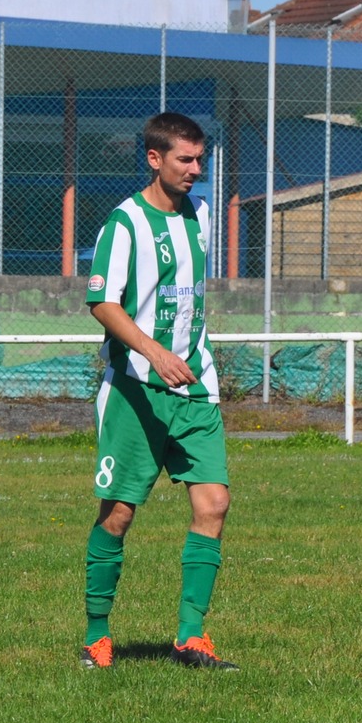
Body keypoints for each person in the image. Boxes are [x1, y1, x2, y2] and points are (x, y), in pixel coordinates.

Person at [80, 112, 235, 671]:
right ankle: (97, 636)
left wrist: (184, 355)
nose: (195, 169)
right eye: (184, 159)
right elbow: (102, 303)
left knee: (214, 503)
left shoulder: (203, 215)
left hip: (196, 386)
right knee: (119, 514)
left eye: (200, 160)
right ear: (154, 159)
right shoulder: (123, 223)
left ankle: (191, 638)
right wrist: (155, 353)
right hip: (136, 390)